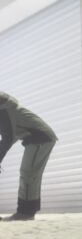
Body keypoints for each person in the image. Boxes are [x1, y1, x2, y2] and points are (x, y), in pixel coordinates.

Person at [0, 92, 57, 220]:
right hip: (38, 138)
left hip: (41, 138)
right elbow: (11, 135)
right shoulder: (7, 110)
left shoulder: (4, 112)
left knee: (29, 174)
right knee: (30, 174)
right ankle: (27, 212)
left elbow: (8, 138)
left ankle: (25, 213)